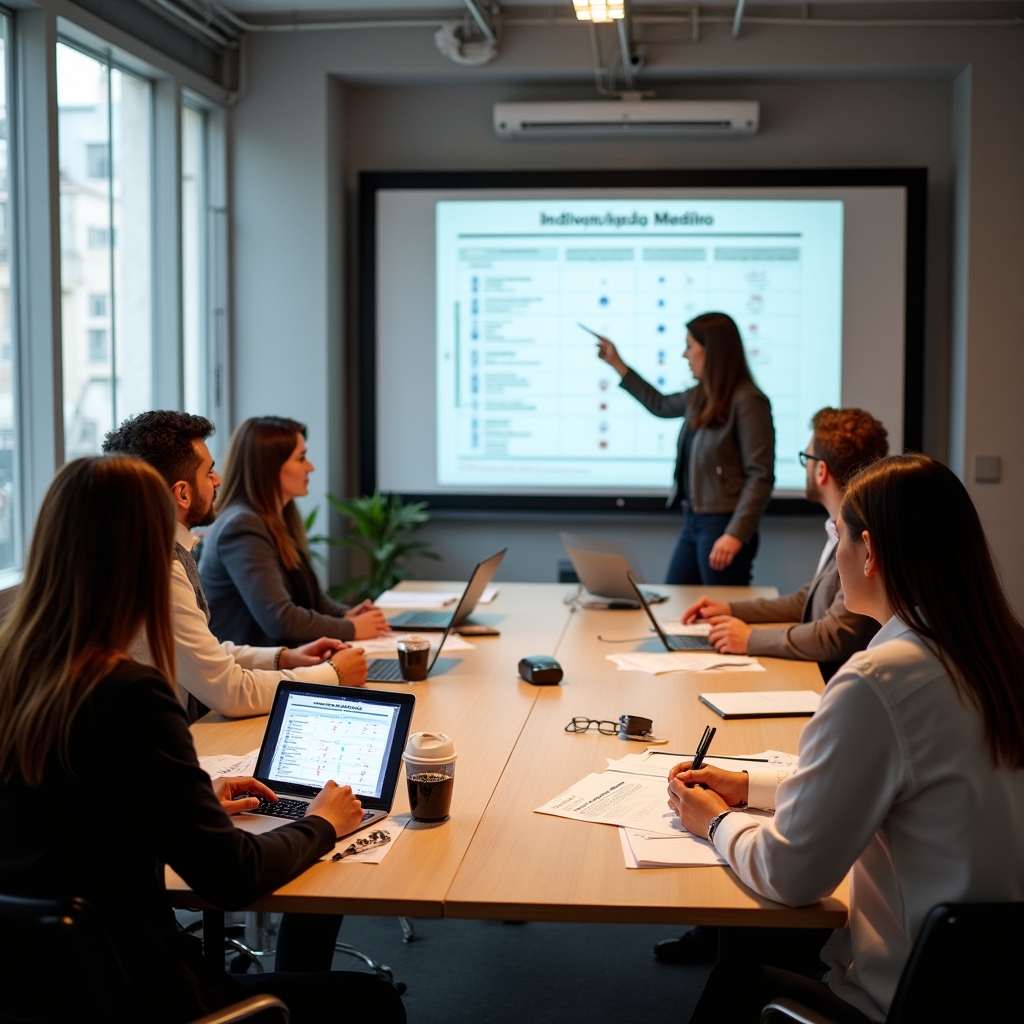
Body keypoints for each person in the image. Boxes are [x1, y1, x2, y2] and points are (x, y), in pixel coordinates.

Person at [0, 456, 405, 1024]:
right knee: (372, 1005)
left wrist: (186, 798)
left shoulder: (17, 670)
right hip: (141, 989)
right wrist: (322, 822)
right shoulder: (129, 692)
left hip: (38, 986)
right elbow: (230, 876)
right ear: (144, 559)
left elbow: (65, 815)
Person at [667, 454, 1024, 1024]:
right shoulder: (1001, 653)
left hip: (905, 999)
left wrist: (711, 820)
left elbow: (791, 876)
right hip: (998, 990)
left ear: (871, 550)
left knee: (738, 978)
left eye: (838, 535)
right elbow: (896, 780)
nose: (836, 551)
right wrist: (748, 784)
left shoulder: (879, 680)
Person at [101, 411, 367, 721]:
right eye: (209, 472)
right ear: (183, 493)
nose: (218, 480)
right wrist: (333, 674)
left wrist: (283, 658)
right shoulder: (159, 572)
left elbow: (205, 653)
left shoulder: (150, 552)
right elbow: (232, 691)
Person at [683, 407, 889, 680]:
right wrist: (731, 609)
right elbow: (808, 599)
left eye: (807, 459)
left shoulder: (860, 538)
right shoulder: (840, 527)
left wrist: (751, 639)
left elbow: (835, 634)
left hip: (832, 684)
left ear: (821, 471)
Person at [596, 312, 774, 585]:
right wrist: (617, 363)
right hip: (694, 520)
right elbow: (660, 405)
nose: (684, 354)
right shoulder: (702, 396)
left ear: (712, 352)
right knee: (677, 603)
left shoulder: (748, 401)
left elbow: (760, 475)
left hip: (723, 523)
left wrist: (735, 534)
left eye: (690, 346)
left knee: (717, 613)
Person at [199, 416, 388, 648]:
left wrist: (344, 616)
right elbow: (280, 620)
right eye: (301, 458)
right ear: (269, 467)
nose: (310, 467)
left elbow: (310, 598)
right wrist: (352, 629)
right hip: (252, 672)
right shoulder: (241, 526)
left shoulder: (278, 518)